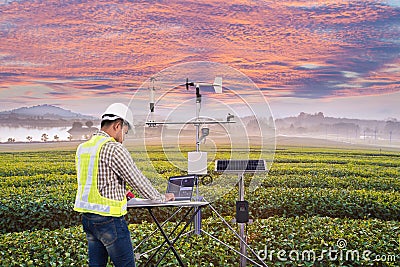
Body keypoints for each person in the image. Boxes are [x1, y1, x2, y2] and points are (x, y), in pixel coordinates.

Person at [74, 103, 174, 267]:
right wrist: (161, 198)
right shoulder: (113, 148)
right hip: (109, 221)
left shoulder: (83, 148)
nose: (124, 137)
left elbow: (92, 180)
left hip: (88, 219)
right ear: (117, 125)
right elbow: (137, 180)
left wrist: (122, 191)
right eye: (125, 132)